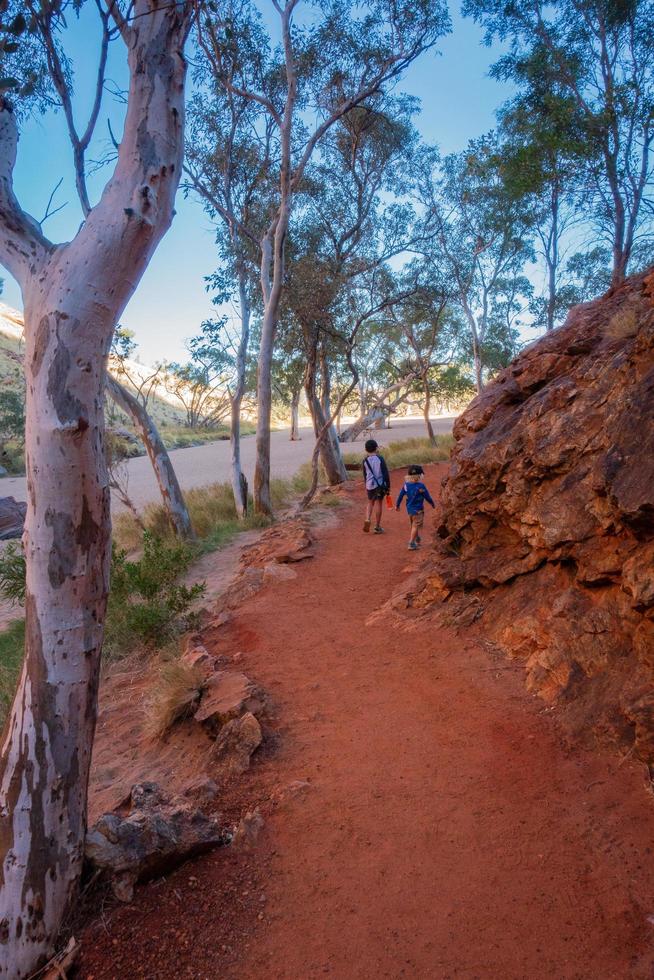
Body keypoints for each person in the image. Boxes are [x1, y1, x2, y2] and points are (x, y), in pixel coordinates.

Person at [396, 464, 435, 550]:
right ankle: (411, 543)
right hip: (418, 510)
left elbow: (400, 496)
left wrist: (397, 505)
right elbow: (427, 496)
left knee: (413, 524)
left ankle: (416, 538)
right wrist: (432, 503)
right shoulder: (421, 486)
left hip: (409, 509)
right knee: (415, 525)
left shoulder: (406, 485)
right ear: (420, 476)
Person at [362, 438, 390, 534]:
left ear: (366, 449)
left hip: (369, 485)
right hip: (380, 485)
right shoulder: (380, 459)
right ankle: (377, 527)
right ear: (376, 448)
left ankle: (368, 519)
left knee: (370, 503)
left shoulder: (365, 460)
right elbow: (385, 473)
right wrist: (388, 486)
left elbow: (365, 474)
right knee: (379, 503)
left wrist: (366, 484)